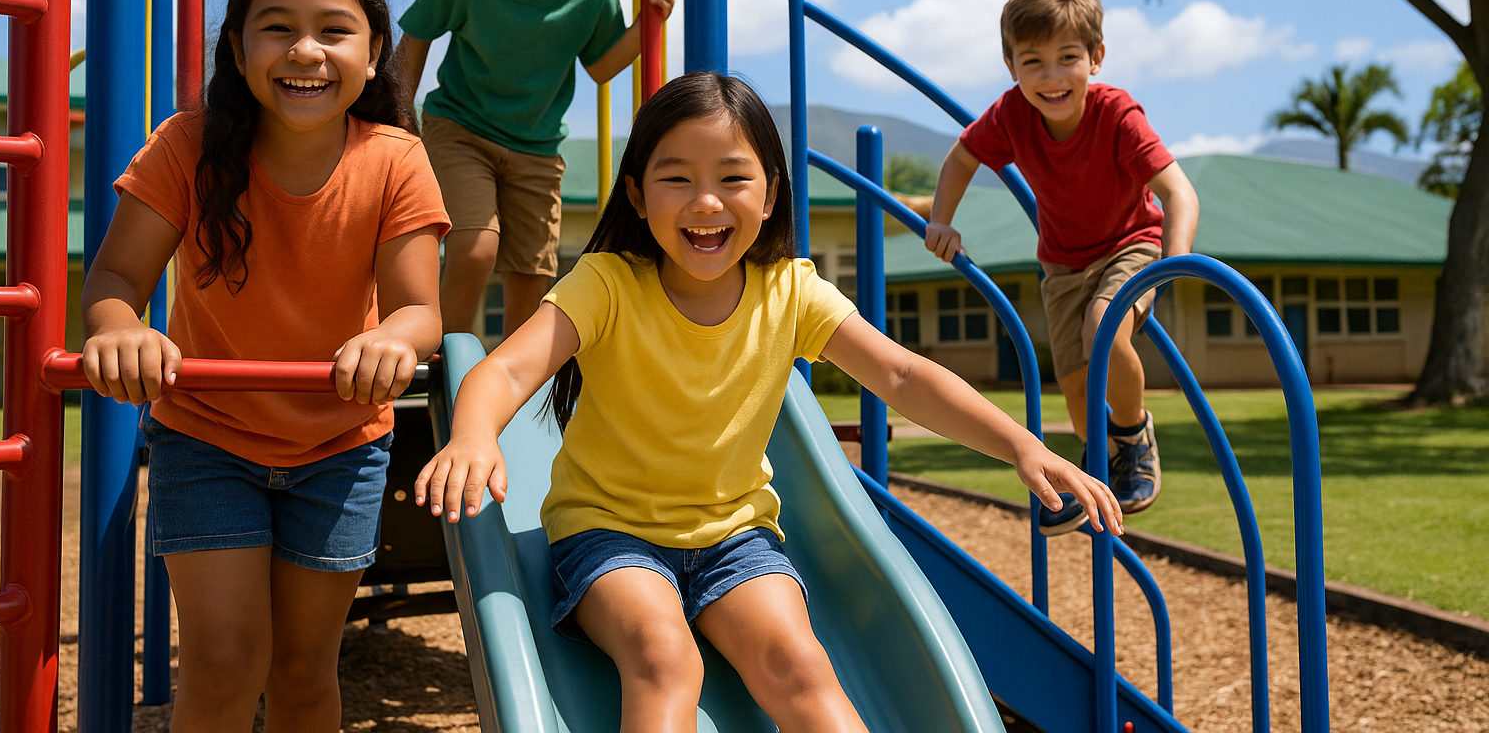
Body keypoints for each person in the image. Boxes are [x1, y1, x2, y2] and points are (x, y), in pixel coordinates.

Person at [416, 71, 1122, 731]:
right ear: (636, 194)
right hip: (608, 533)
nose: (706, 202)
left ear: (772, 193)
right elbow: (505, 373)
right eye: (676, 179)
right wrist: (475, 436)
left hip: (736, 539)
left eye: (732, 178)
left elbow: (903, 376)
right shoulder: (607, 284)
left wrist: (1022, 445)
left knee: (801, 665)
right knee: (664, 658)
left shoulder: (790, 291)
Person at [79, 0, 451, 732]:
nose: (305, 51)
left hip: (340, 446)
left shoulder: (395, 160)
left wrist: (393, 337)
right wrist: (121, 330)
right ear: (238, 48)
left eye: (334, 29)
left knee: (302, 668)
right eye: (277, 27)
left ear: (375, 48)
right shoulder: (187, 147)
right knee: (220, 663)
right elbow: (114, 282)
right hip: (209, 437)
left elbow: (420, 311)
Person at [924, 0, 1200, 535]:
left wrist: (1172, 263)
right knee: (1075, 392)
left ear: (1096, 58)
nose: (1051, 78)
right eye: (1033, 62)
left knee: (1105, 325)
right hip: (1062, 265)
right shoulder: (1010, 116)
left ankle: (1134, 436)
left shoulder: (1117, 114)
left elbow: (1178, 192)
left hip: (1133, 245)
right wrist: (941, 220)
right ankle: (1097, 470)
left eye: (1067, 58)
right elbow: (960, 159)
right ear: (1012, 67)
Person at [395, 0, 676, 340]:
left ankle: (516, 382)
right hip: (461, 129)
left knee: (534, 273)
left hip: (537, 148)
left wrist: (646, 24)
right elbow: (413, 40)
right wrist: (397, 127)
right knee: (477, 247)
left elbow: (602, 66)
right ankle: (440, 356)